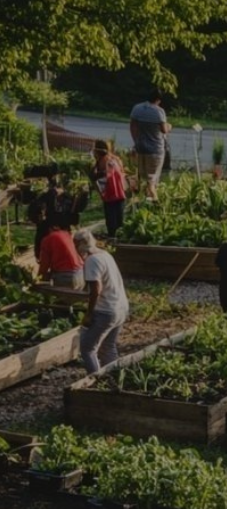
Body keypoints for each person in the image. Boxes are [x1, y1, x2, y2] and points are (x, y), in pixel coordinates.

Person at [73, 229, 129, 374]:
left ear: (79, 243)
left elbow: (96, 289)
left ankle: (96, 381)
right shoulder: (105, 255)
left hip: (106, 311)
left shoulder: (92, 260)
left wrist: (89, 314)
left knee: (87, 349)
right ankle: (115, 378)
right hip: (121, 307)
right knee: (108, 347)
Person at [129, 89, 172, 200]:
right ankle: (155, 200)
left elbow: (133, 126)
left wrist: (136, 141)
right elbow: (163, 130)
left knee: (143, 176)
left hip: (141, 147)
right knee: (152, 178)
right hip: (155, 149)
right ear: (158, 100)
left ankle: (145, 200)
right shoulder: (159, 111)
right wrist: (169, 126)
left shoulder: (137, 108)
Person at [90, 139, 127, 237]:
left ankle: (112, 238)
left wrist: (93, 175)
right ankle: (120, 238)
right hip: (120, 192)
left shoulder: (102, 161)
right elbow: (122, 173)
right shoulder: (116, 159)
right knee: (119, 219)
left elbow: (101, 177)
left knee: (111, 221)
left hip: (110, 194)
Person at [37, 219, 85, 289]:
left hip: (66, 277)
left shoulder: (47, 240)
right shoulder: (66, 234)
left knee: (59, 298)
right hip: (81, 274)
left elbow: (44, 266)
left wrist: (37, 280)